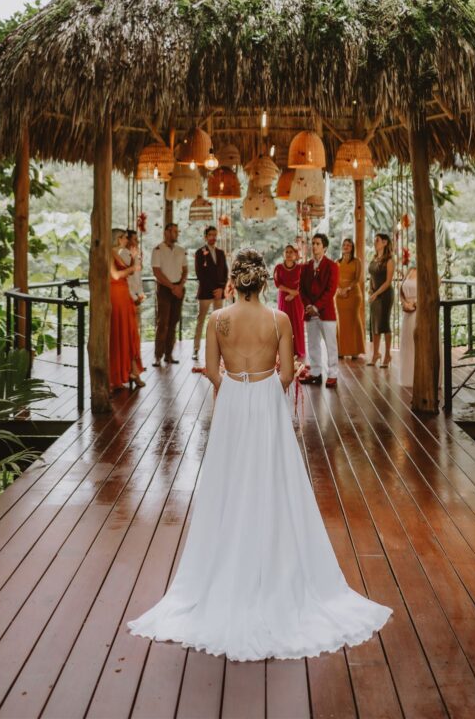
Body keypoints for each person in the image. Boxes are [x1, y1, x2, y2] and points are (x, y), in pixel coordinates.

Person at [127, 246, 392, 660]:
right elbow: (287, 374)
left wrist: (236, 387)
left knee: (228, 481)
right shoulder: (279, 319)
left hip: (232, 402)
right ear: (264, 280)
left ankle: (227, 559)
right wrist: (267, 386)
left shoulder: (217, 320)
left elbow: (213, 372)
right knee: (274, 479)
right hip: (267, 405)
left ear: (234, 280)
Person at [300, 232, 340, 388]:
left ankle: (333, 374)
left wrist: (317, 306)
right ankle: (316, 373)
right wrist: (309, 306)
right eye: (313, 243)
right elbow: (301, 289)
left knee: (331, 344)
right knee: (313, 344)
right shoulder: (306, 267)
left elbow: (331, 290)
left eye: (317, 244)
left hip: (326, 312)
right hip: (310, 313)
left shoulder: (332, 266)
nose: (314, 246)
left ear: (325, 247)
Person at [110, 229, 145, 391]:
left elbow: (132, 271)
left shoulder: (119, 254)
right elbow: (116, 275)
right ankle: (119, 374)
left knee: (130, 334)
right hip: (116, 295)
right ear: (117, 239)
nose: (126, 240)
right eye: (124, 237)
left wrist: (134, 260)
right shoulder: (109, 253)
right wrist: (133, 268)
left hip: (124, 296)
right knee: (120, 334)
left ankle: (132, 371)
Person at [151, 222, 187, 367]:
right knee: (163, 323)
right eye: (174, 232)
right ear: (166, 232)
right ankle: (157, 356)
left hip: (178, 288)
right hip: (165, 289)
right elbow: (156, 272)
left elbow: (185, 270)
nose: (177, 234)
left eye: (177, 232)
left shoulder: (181, 249)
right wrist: (172, 287)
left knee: (173, 322)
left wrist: (180, 286)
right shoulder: (157, 249)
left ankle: (169, 355)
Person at [192, 225, 228, 362]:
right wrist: (214, 289)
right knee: (201, 320)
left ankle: (220, 349)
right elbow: (200, 274)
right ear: (206, 237)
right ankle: (196, 349)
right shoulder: (199, 252)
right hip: (205, 292)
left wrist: (221, 288)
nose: (213, 237)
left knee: (220, 322)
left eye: (215, 235)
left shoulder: (220, 253)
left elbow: (225, 272)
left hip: (220, 293)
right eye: (210, 235)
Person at [273, 244, 305, 361]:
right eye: (286, 252)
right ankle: (284, 350)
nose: (289, 254)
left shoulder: (300, 268)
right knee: (284, 323)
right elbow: (277, 284)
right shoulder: (279, 268)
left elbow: (303, 284)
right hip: (284, 299)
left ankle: (298, 350)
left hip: (297, 299)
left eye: (291, 252)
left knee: (297, 322)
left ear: (295, 254)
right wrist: (289, 291)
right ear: (284, 254)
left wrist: (294, 294)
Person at [368, 233, 395, 368]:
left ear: (385, 242)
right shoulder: (374, 259)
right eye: (374, 240)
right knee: (374, 325)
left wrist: (376, 294)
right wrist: (370, 290)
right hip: (374, 294)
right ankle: (375, 354)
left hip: (385, 295)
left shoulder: (389, 260)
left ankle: (388, 354)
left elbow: (388, 282)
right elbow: (372, 277)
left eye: (377, 240)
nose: (375, 242)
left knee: (384, 324)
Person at [335, 237, 363, 358]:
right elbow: (334, 278)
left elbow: (357, 278)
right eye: (344, 244)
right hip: (339, 295)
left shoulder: (357, 262)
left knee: (353, 320)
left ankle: (354, 351)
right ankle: (341, 351)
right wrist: (339, 289)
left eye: (349, 245)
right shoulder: (337, 262)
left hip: (353, 294)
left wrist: (347, 288)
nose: (346, 246)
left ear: (352, 248)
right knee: (341, 322)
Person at [399, 262, 417, 385]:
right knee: (407, 343)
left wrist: (415, 304)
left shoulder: (430, 272)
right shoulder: (411, 269)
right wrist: (404, 303)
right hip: (407, 310)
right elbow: (401, 291)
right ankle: (408, 376)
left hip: (419, 310)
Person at [124, 229, 146, 307]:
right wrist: (133, 258)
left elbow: (140, 269)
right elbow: (130, 273)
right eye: (135, 239)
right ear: (128, 240)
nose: (138, 242)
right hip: (129, 293)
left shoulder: (135, 252)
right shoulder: (123, 253)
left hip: (137, 292)